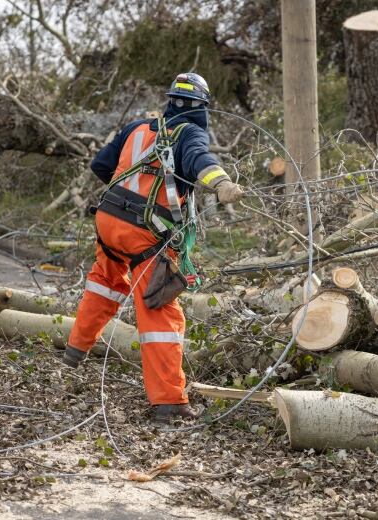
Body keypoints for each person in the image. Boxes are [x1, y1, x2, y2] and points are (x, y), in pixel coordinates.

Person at [62, 73, 243, 423]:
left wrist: (127, 199)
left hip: (107, 220)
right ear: (203, 108)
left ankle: (74, 350)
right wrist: (220, 184)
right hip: (143, 235)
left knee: (104, 283)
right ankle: (169, 403)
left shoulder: (138, 127)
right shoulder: (189, 132)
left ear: (169, 100)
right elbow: (199, 159)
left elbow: (100, 165)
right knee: (159, 312)